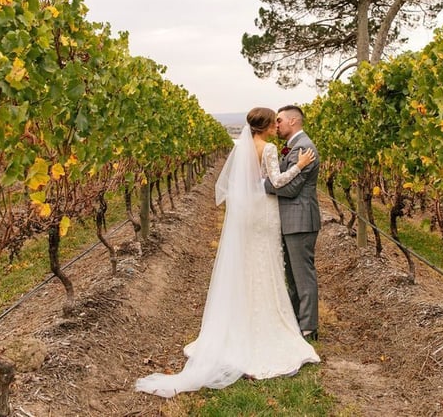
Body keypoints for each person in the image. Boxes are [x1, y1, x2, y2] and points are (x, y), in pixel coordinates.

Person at [135, 107, 319, 398]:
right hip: (265, 213)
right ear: (268, 126)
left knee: (251, 264)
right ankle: (272, 321)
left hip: (250, 213)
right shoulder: (269, 148)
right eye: (275, 122)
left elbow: (250, 183)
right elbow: (277, 181)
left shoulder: (248, 148)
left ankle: (244, 320)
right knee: (266, 264)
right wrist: (297, 166)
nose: (277, 125)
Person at [264, 105, 321, 341]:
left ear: (294, 121)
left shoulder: (304, 148)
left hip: (300, 220)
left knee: (303, 275)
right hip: (292, 220)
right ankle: (298, 321)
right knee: (293, 275)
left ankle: (308, 328)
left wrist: (264, 184)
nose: (276, 125)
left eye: (279, 120)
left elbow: (289, 188)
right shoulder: (295, 147)